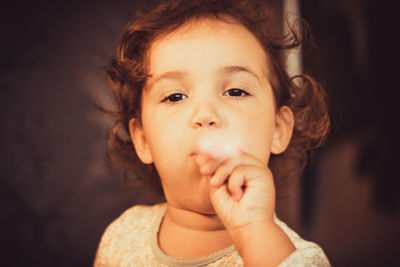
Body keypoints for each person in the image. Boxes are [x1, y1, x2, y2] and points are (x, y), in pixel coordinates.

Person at [94, 0, 331, 266]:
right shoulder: (122, 234)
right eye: (175, 96)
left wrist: (254, 231)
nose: (206, 114)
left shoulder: (297, 258)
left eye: (235, 92)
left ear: (277, 129)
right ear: (144, 140)